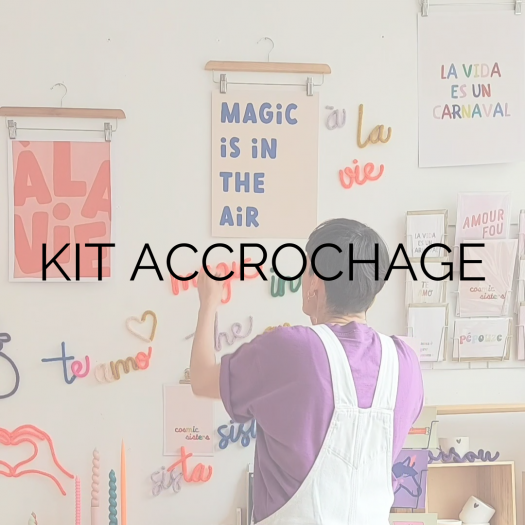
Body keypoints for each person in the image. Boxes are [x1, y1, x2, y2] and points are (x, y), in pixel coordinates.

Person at [189, 218, 424, 525]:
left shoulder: (290, 350)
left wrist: (208, 303)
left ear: (316, 280)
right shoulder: (405, 363)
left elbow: (201, 379)